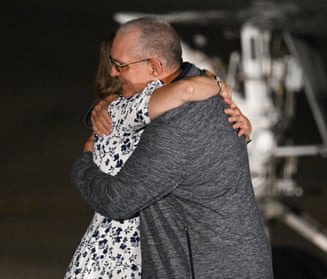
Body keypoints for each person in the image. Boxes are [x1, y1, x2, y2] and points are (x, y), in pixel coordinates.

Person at [72, 16, 273, 278]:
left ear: (155, 67)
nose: (113, 72)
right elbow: (145, 104)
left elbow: (117, 201)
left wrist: (83, 164)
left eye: (120, 65)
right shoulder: (197, 83)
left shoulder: (179, 125)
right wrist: (217, 82)